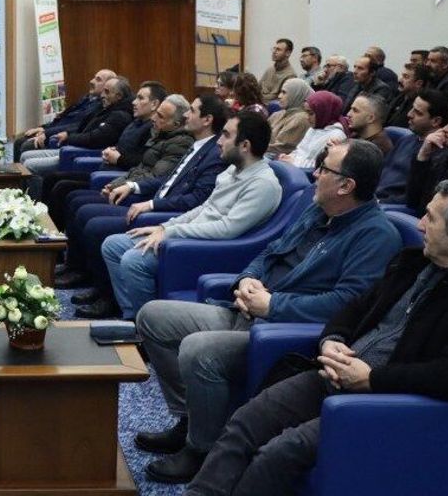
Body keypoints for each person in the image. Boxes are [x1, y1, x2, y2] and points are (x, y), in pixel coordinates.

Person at [185, 179, 448, 496]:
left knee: (278, 452)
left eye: (430, 218)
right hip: (336, 374)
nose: (419, 225)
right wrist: (332, 339)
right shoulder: (414, 262)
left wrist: (371, 379)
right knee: (246, 421)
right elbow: (355, 307)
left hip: (385, 403)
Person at [136, 139, 397, 484]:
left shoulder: (376, 236)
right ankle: (191, 420)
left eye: (324, 169)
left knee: (198, 350)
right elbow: (270, 251)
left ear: (346, 186)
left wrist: (272, 305)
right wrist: (247, 279)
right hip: (249, 310)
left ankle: (202, 450)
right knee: (152, 317)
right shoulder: (318, 210)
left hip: (282, 334)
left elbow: (345, 304)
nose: (315, 175)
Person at [99, 111, 282, 320]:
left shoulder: (263, 184)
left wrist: (171, 232)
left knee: (133, 260)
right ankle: (131, 316)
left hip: (210, 249)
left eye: (226, 135)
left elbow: (227, 229)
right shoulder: (233, 169)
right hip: (189, 236)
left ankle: (144, 325)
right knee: (113, 245)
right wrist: (165, 226)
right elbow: (204, 208)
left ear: (245, 145)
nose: (218, 142)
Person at [62, 95, 228, 307]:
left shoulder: (212, 153)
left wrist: (151, 205)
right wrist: (132, 186)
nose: (187, 114)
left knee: (94, 223)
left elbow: (195, 200)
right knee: (82, 206)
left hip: (165, 214)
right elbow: (167, 179)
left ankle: (107, 296)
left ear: (207, 120)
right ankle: (98, 285)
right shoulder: (198, 145)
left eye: (193, 111)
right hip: (154, 202)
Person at [42, 83, 164, 232]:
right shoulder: (136, 122)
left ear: (154, 104)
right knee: (54, 179)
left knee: (64, 188)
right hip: (107, 170)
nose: (134, 102)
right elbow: (122, 146)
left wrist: (118, 158)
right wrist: (112, 150)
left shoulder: (151, 130)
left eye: (140, 98)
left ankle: (53, 237)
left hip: (118, 177)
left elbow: (142, 162)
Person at [20, 77, 133, 181]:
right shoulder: (104, 107)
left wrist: (69, 137)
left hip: (83, 153)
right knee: (25, 156)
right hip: (75, 147)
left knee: (30, 165)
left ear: (119, 96)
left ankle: (29, 196)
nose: (102, 95)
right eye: (103, 91)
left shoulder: (120, 116)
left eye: (107, 92)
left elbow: (94, 138)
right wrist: (64, 133)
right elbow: (81, 126)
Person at [13, 70, 116, 160]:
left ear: (107, 86)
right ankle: (15, 176)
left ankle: (22, 176)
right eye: (94, 78)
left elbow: (76, 125)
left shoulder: (100, 106)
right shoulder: (87, 98)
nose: (92, 81)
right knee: (20, 140)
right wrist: (43, 128)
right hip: (54, 130)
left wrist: (47, 133)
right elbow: (63, 118)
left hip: (62, 136)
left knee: (27, 145)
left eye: (98, 80)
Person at [376, 89, 448, 207]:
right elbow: (382, 171)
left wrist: (379, 203)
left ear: (436, 121)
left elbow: (414, 197)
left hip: (391, 208)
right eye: (412, 108)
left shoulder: (439, 155)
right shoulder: (406, 139)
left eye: (418, 113)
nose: (409, 114)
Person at [282, 91, 345, 169]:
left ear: (323, 113)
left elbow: (320, 167)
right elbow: (299, 151)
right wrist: (288, 157)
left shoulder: (336, 136)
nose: (307, 117)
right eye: (306, 112)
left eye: (311, 113)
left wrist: (293, 162)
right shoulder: (314, 128)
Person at [266, 78, 312, 158]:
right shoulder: (277, 114)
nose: (279, 96)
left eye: (284, 93)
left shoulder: (302, 119)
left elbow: (282, 148)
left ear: (296, 95)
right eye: (280, 92)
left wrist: (255, 147)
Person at [385, 63, 430, 129]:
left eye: (406, 77)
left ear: (418, 83)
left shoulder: (419, 105)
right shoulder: (401, 96)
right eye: (402, 76)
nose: (400, 80)